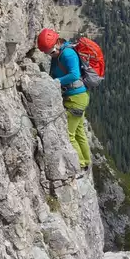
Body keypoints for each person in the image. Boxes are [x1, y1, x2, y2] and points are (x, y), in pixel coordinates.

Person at [37, 28, 91, 170]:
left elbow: (74, 75)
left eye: (49, 51)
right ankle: (85, 161)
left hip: (75, 99)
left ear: (56, 44)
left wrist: (56, 82)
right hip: (77, 97)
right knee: (79, 132)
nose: (48, 54)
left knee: (69, 134)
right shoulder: (59, 55)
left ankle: (79, 163)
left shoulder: (68, 54)